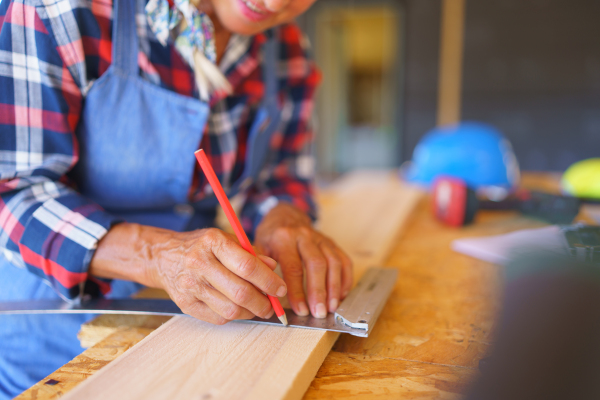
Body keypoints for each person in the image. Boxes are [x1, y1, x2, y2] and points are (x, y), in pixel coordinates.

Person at [0, 0, 353, 397]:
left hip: (190, 328)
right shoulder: (60, 11)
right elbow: (13, 193)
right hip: (47, 335)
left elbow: (278, 175)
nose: (274, 3)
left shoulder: (283, 44)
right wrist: (157, 256)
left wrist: (284, 219)